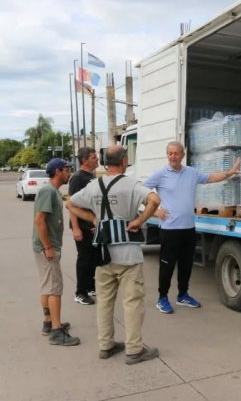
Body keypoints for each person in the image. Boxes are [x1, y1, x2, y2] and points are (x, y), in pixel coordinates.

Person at [66, 145, 161, 365]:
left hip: (102, 252)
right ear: (124, 161)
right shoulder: (131, 184)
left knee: (105, 302)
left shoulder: (93, 185)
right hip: (128, 254)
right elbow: (154, 201)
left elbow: (71, 204)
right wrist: (139, 221)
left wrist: (93, 219)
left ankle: (106, 345)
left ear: (104, 162)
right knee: (132, 302)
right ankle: (134, 350)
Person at [143, 141, 240, 314]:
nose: (173, 156)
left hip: (188, 228)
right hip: (169, 230)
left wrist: (229, 173)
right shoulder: (160, 174)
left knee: (186, 264)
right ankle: (162, 298)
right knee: (167, 265)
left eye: (176, 153)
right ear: (167, 155)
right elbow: (141, 191)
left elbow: (210, 178)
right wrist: (155, 211)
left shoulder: (191, 173)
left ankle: (182, 295)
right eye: (170, 153)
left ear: (182, 155)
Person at [33, 158, 80, 346]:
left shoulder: (52, 191)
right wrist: (48, 247)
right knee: (54, 288)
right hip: (47, 248)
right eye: (67, 170)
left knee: (47, 286)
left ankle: (48, 322)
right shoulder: (48, 191)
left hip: (47, 247)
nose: (69, 173)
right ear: (58, 171)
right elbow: (39, 220)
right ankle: (56, 330)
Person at [69, 147, 99, 306]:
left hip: (93, 225)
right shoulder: (78, 178)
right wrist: (76, 228)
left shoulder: (91, 176)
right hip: (82, 226)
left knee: (94, 258)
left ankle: (89, 286)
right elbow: (71, 205)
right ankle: (80, 292)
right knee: (84, 259)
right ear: (85, 160)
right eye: (94, 157)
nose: (97, 159)